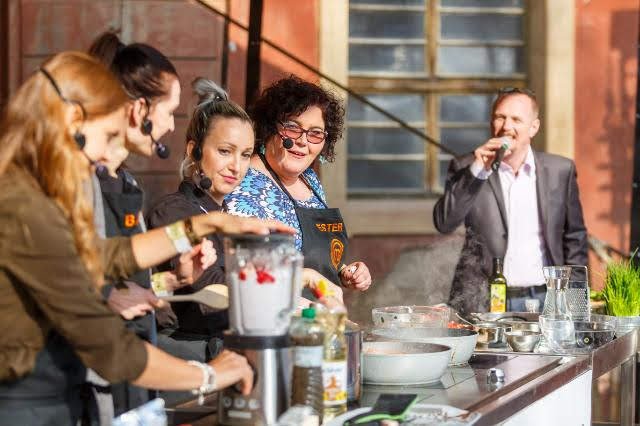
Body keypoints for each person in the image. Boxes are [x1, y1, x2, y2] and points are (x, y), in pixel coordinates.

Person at [0, 51, 293, 425]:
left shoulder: (29, 192)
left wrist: (207, 225)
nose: (104, 155)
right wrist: (211, 374)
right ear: (74, 120)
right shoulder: (24, 204)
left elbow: (105, 254)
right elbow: (109, 345)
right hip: (26, 401)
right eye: (106, 136)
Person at [147, 78, 345, 340]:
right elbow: (214, 290)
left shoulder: (228, 212)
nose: (236, 167)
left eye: (244, 154)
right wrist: (302, 277)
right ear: (194, 150)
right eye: (225, 151)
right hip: (189, 352)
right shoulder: (174, 211)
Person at [88, 32, 213, 416]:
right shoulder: (79, 184)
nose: (172, 127)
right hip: (92, 380)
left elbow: (128, 286)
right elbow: (71, 283)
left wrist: (173, 281)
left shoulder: (125, 182)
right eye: (169, 113)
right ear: (140, 110)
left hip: (132, 377)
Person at [433, 87, 588, 314]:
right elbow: (444, 223)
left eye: (516, 119)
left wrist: (575, 306)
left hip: (546, 298)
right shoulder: (467, 167)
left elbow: (575, 238)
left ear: (534, 127)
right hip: (482, 300)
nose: (506, 126)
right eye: (500, 117)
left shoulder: (560, 170)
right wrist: (478, 171)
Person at [225, 76, 372, 292]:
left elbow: (316, 257)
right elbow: (245, 274)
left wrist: (344, 272)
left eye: (315, 133)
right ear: (270, 126)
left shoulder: (310, 180)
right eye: (293, 128)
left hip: (318, 316)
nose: (303, 141)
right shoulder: (242, 183)